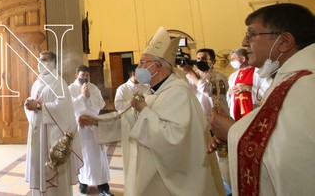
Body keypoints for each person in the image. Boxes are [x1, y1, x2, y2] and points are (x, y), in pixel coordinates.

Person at [79, 27, 225, 196]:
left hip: (169, 181)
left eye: (143, 62)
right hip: (150, 173)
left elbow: (175, 138)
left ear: (157, 66)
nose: (138, 67)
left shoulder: (178, 93)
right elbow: (131, 120)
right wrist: (98, 121)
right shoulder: (152, 92)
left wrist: (144, 111)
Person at [209, 3, 315, 195]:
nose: (244, 41)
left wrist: (233, 132)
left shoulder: (306, 84)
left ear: (284, 41)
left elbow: (297, 163)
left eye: (251, 34)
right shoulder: (287, 78)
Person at [24, 51, 83, 196]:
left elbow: (63, 106)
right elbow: (34, 100)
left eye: (43, 60)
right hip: (38, 133)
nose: (39, 63)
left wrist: (38, 107)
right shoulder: (38, 82)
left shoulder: (58, 82)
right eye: (39, 59)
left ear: (52, 63)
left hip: (53, 135)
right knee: (39, 166)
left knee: (56, 173)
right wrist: (29, 104)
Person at [69, 65, 112, 196]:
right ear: (76, 75)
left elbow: (101, 104)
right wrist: (82, 96)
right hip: (80, 127)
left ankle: (103, 186)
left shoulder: (93, 87)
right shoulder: (70, 88)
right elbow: (69, 108)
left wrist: (89, 96)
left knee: (98, 157)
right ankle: (83, 182)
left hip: (93, 125)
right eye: (82, 75)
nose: (85, 78)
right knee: (83, 156)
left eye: (87, 75)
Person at [178, 48, 229, 119]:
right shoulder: (189, 76)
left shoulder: (219, 77)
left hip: (217, 118)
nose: (200, 61)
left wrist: (191, 71)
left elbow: (208, 91)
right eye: (198, 58)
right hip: (198, 118)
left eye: (204, 58)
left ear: (213, 61)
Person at [113, 64, 141, 180]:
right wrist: (130, 102)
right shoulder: (123, 88)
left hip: (143, 122)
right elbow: (118, 106)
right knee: (130, 151)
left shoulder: (145, 86)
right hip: (129, 123)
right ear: (133, 74)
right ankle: (131, 178)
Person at [226, 48, 270, 120]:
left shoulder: (260, 72)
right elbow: (230, 96)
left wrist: (249, 88)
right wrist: (230, 93)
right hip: (237, 112)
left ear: (243, 59)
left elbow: (269, 90)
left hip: (255, 112)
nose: (231, 62)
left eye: (233, 59)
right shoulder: (233, 76)